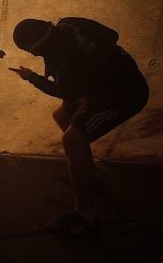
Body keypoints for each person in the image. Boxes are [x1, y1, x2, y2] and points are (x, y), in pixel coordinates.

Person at [10, 17, 149, 238]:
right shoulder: (69, 24)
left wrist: (31, 77)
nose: (35, 55)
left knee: (73, 140)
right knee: (61, 116)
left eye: (33, 51)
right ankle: (88, 178)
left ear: (39, 46)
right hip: (100, 85)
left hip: (122, 96)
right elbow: (112, 32)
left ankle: (86, 218)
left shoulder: (71, 60)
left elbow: (65, 91)